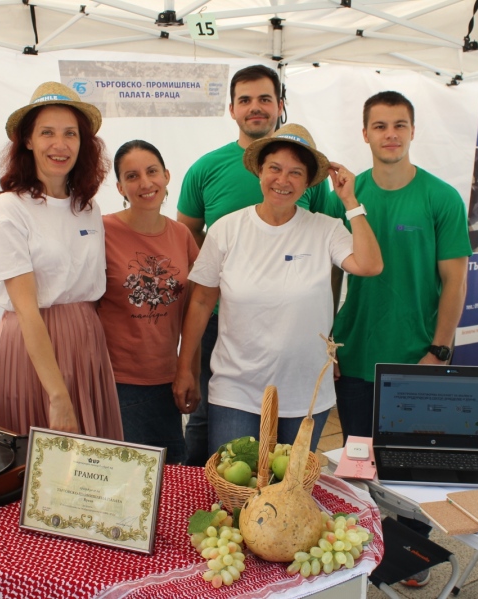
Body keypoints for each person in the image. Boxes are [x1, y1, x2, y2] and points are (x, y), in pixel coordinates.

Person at [324, 91, 471, 589]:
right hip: (358, 354)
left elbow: (455, 280)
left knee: (412, 470)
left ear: (412, 131)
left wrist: (440, 350)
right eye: (380, 125)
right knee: (360, 462)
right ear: (364, 133)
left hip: (417, 359)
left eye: (399, 125)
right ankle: (365, 551)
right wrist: (329, 343)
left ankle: (410, 554)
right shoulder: (343, 195)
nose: (390, 134)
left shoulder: (440, 197)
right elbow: (329, 279)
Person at [173, 124, 382, 455]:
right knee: (234, 490)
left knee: (289, 494)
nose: (283, 181)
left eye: (295, 173)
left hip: (305, 390)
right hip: (236, 389)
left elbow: (370, 265)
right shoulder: (227, 229)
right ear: (260, 171)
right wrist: (184, 368)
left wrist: (350, 202)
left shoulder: (326, 229)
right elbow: (200, 302)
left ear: (307, 182)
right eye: (275, 168)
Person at [176, 65, 330, 465]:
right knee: (208, 422)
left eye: (265, 99)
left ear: (280, 105)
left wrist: (324, 331)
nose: (255, 108)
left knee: (284, 438)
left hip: (291, 330)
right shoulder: (205, 169)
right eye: (245, 100)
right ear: (231, 109)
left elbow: (330, 257)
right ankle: (207, 504)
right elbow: (186, 236)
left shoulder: (312, 179)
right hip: (221, 321)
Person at [0, 81, 123, 440]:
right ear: (27, 140)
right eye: (47, 133)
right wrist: (57, 395)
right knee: (38, 466)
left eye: (70, 134)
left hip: (86, 342)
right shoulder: (9, 209)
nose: (59, 145)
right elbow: (27, 310)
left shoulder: (87, 208)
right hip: (33, 345)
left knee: (91, 466)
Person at [97, 140, 199, 464]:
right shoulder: (101, 231)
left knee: (168, 473)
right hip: (119, 382)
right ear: (120, 187)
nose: (145, 183)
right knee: (132, 478)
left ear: (167, 175)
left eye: (152, 171)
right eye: (132, 176)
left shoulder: (181, 234)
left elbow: (196, 309)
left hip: (167, 378)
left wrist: (188, 370)